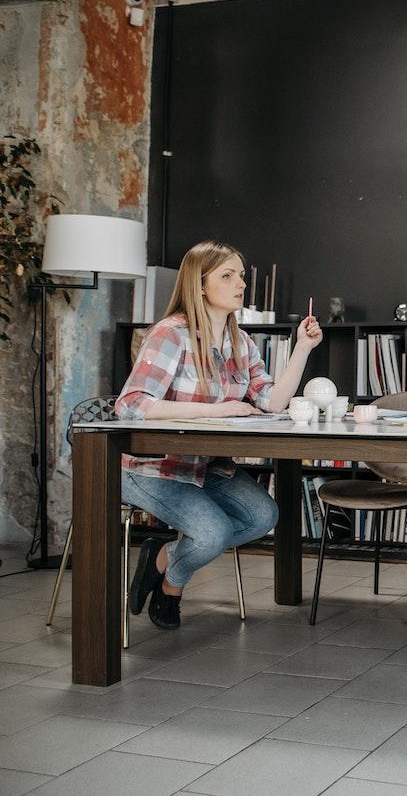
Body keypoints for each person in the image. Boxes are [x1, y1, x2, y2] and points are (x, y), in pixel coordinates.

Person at [116, 240, 323, 630]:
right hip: (153, 468)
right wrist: (217, 410)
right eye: (227, 276)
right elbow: (131, 405)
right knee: (212, 534)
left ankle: (161, 558)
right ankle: (171, 587)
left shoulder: (240, 341)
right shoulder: (170, 334)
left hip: (206, 466)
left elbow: (273, 402)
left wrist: (303, 349)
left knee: (264, 517)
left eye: (241, 275)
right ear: (199, 285)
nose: (240, 283)